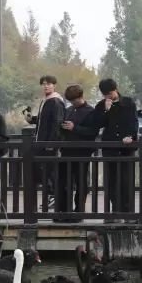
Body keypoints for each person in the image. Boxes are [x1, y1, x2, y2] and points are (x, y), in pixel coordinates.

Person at [90, 79, 139, 214]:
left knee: (126, 180)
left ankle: (128, 211)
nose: (109, 96)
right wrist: (106, 110)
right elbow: (97, 124)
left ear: (116, 89)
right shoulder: (101, 105)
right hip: (110, 147)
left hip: (126, 147)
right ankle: (115, 209)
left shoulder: (128, 103)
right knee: (111, 180)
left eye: (110, 93)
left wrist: (131, 136)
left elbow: (133, 122)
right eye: (106, 94)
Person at [25, 75, 66, 210]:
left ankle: (54, 197)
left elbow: (57, 123)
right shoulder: (47, 100)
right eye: (43, 84)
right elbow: (44, 120)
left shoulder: (55, 101)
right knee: (43, 171)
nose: (46, 86)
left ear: (54, 85)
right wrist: (32, 119)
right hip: (42, 142)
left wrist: (51, 143)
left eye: (49, 84)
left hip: (48, 144)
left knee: (50, 172)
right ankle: (50, 197)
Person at [58, 84, 97, 214]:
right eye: (70, 101)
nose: (72, 103)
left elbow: (92, 132)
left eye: (74, 100)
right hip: (66, 150)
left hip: (82, 152)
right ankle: (64, 210)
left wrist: (75, 128)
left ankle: (79, 210)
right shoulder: (68, 110)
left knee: (81, 182)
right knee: (64, 181)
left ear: (81, 96)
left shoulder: (90, 111)